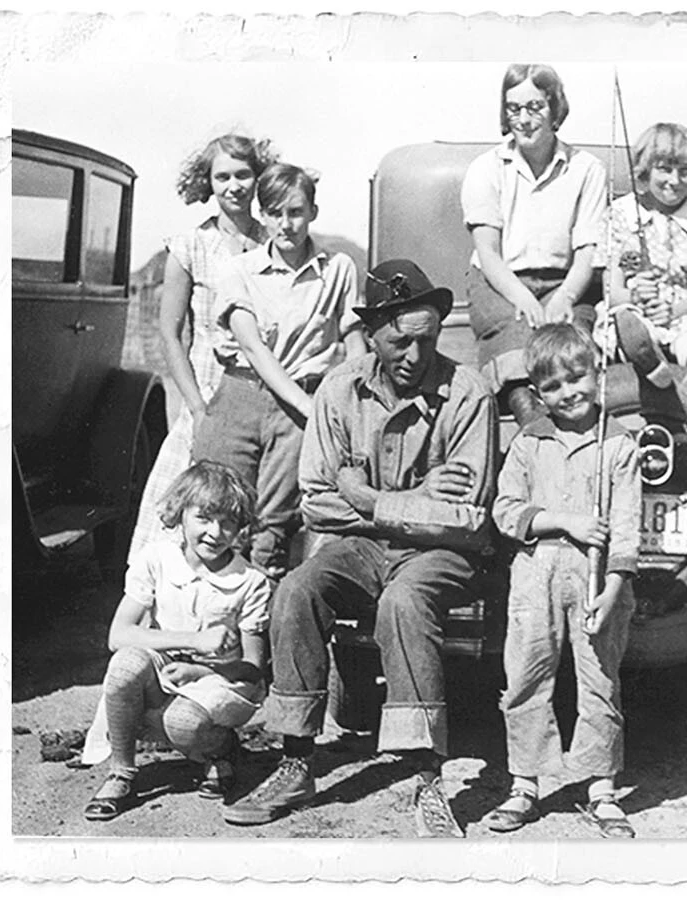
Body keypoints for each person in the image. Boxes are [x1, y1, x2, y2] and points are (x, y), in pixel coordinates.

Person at [222, 259, 497, 837]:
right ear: (371, 333)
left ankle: (428, 783)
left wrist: (370, 499)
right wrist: (420, 496)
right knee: (297, 589)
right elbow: (318, 502)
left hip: (440, 556)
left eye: (427, 339)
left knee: (404, 602)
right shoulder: (339, 390)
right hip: (361, 547)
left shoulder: (468, 394)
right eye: (400, 340)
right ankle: (296, 760)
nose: (415, 355)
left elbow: (468, 517)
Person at [484, 323, 642, 839]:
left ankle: (601, 788)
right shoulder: (530, 442)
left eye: (577, 378)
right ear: (537, 393)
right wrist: (563, 521)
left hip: (599, 583)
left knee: (599, 681)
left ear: (598, 375)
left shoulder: (619, 445)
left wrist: (613, 590)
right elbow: (506, 512)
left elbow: (626, 529)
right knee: (527, 678)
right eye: (552, 387)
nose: (567, 393)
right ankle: (524, 785)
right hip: (536, 575)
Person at [191, 163, 364, 579]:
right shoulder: (239, 271)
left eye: (295, 212)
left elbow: (353, 337)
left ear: (313, 212)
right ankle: (205, 630)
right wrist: (310, 407)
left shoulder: (338, 269)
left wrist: (350, 400)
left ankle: (261, 635)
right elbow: (253, 346)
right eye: (274, 213)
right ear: (262, 214)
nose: (285, 225)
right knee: (214, 509)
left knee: (272, 526)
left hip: (298, 413)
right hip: (242, 399)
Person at [79, 461, 271, 822]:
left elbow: (254, 666)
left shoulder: (248, 581)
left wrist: (201, 667)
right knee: (125, 666)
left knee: (183, 724)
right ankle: (121, 772)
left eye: (228, 522)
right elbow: (118, 635)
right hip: (164, 670)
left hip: (217, 681)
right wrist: (194, 640)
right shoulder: (157, 559)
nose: (216, 532)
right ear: (180, 514)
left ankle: (222, 749)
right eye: (204, 518)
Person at [127, 133, 277, 567]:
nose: (234, 186)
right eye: (222, 176)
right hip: (209, 400)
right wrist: (196, 408)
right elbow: (171, 334)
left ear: (258, 178)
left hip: (264, 401)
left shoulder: (275, 241)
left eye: (243, 174)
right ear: (207, 183)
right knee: (186, 515)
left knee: (255, 516)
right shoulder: (188, 247)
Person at [461, 63, 609, 425]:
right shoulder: (486, 169)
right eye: (514, 109)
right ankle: (531, 424)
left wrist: (567, 297)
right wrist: (523, 298)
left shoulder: (587, 169)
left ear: (554, 108)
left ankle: (572, 430)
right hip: (499, 282)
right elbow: (489, 254)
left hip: (566, 281)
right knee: (517, 336)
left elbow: (588, 250)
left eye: (535, 107)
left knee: (568, 341)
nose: (524, 119)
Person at [596, 122, 687, 394]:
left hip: (684, 308)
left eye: (685, 172)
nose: (674, 181)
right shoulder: (621, 214)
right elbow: (611, 289)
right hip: (636, 308)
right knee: (622, 320)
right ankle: (646, 358)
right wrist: (634, 298)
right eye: (664, 169)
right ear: (645, 168)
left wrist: (675, 311)